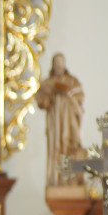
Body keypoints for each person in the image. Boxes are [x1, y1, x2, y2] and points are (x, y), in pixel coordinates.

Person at [35, 52, 84, 186]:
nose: (59, 65)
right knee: (56, 148)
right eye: (56, 62)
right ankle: (55, 180)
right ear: (53, 64)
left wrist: (69, 93)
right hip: (55, 123)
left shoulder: (72, 81)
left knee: (70, 146)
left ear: (64, 63)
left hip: (68, 121)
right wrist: (50, 91)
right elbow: (41, 102)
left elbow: (80, 97)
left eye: (61, 62)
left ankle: (70, 180)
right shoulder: (48, 82)